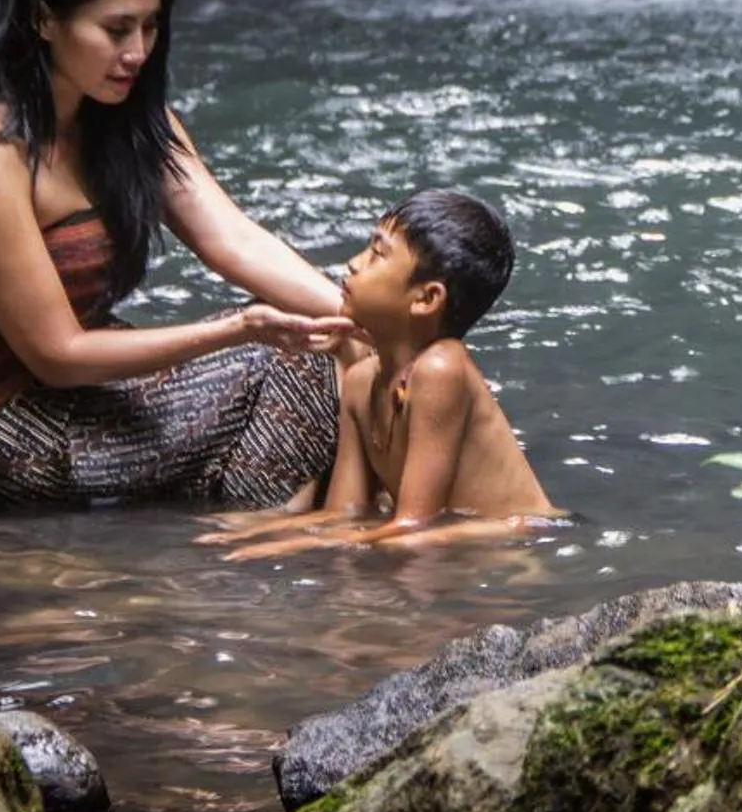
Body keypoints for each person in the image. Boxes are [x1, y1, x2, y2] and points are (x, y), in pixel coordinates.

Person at [0, 0, 357, 515]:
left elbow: (233, 240)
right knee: (297, 367)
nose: (138, 53)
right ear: (44, 19)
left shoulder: (133, 126)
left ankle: (260, 536)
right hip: (16, 430)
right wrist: (240, 327)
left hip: (101, 391)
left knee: (347, 353)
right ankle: (266, 545)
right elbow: (57, 356)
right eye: (117, 30)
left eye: (151, 27)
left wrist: (370, 321)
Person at [207, 188, 560, 557]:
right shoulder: (361, 382)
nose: (354, 264)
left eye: (377, 255)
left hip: (520, 551)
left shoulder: (442, 368)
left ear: (426, 299)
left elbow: (415, 525)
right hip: (457, 547)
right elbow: (345, 515)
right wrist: (263, 528)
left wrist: (294, 545)